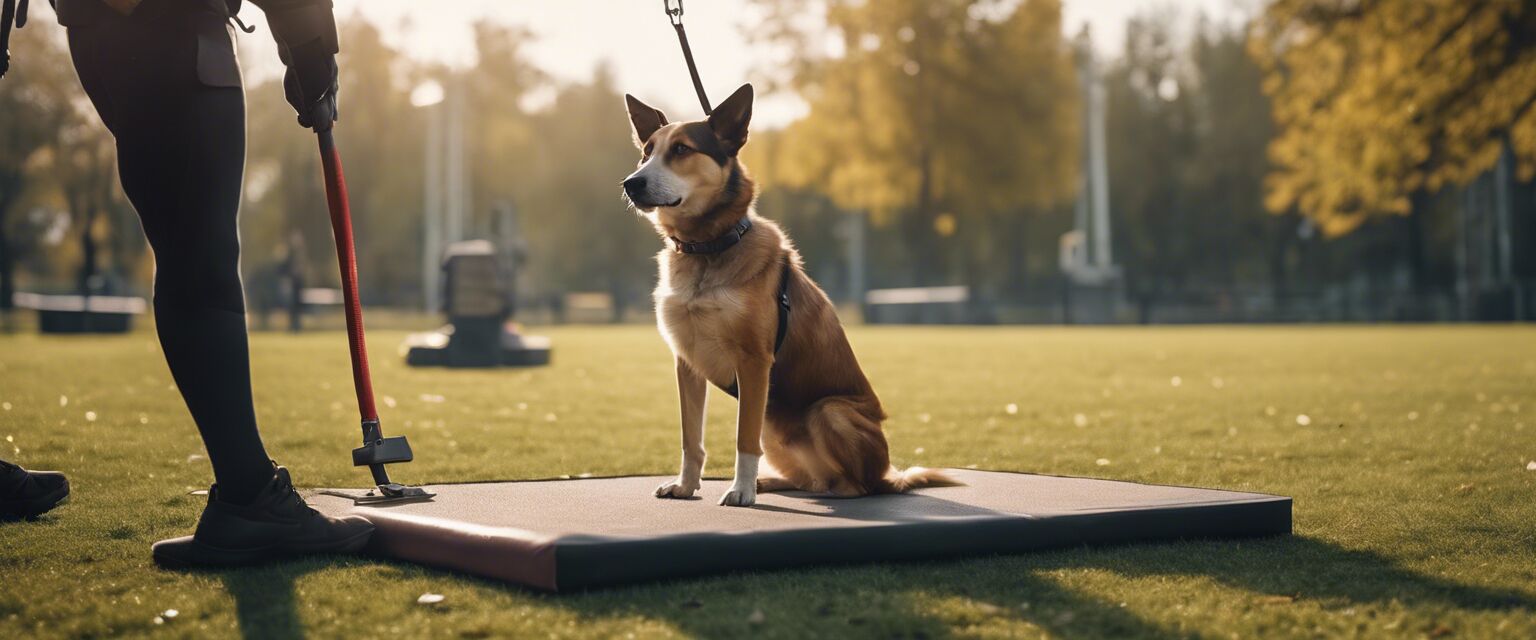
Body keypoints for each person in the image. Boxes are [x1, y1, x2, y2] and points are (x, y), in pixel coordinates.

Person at [1, 0, 374, 565]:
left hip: (102, 32)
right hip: (166, 26)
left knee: (189, 244)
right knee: (200, 253)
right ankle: (249, 498)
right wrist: (311, 54)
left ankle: (247, 496)